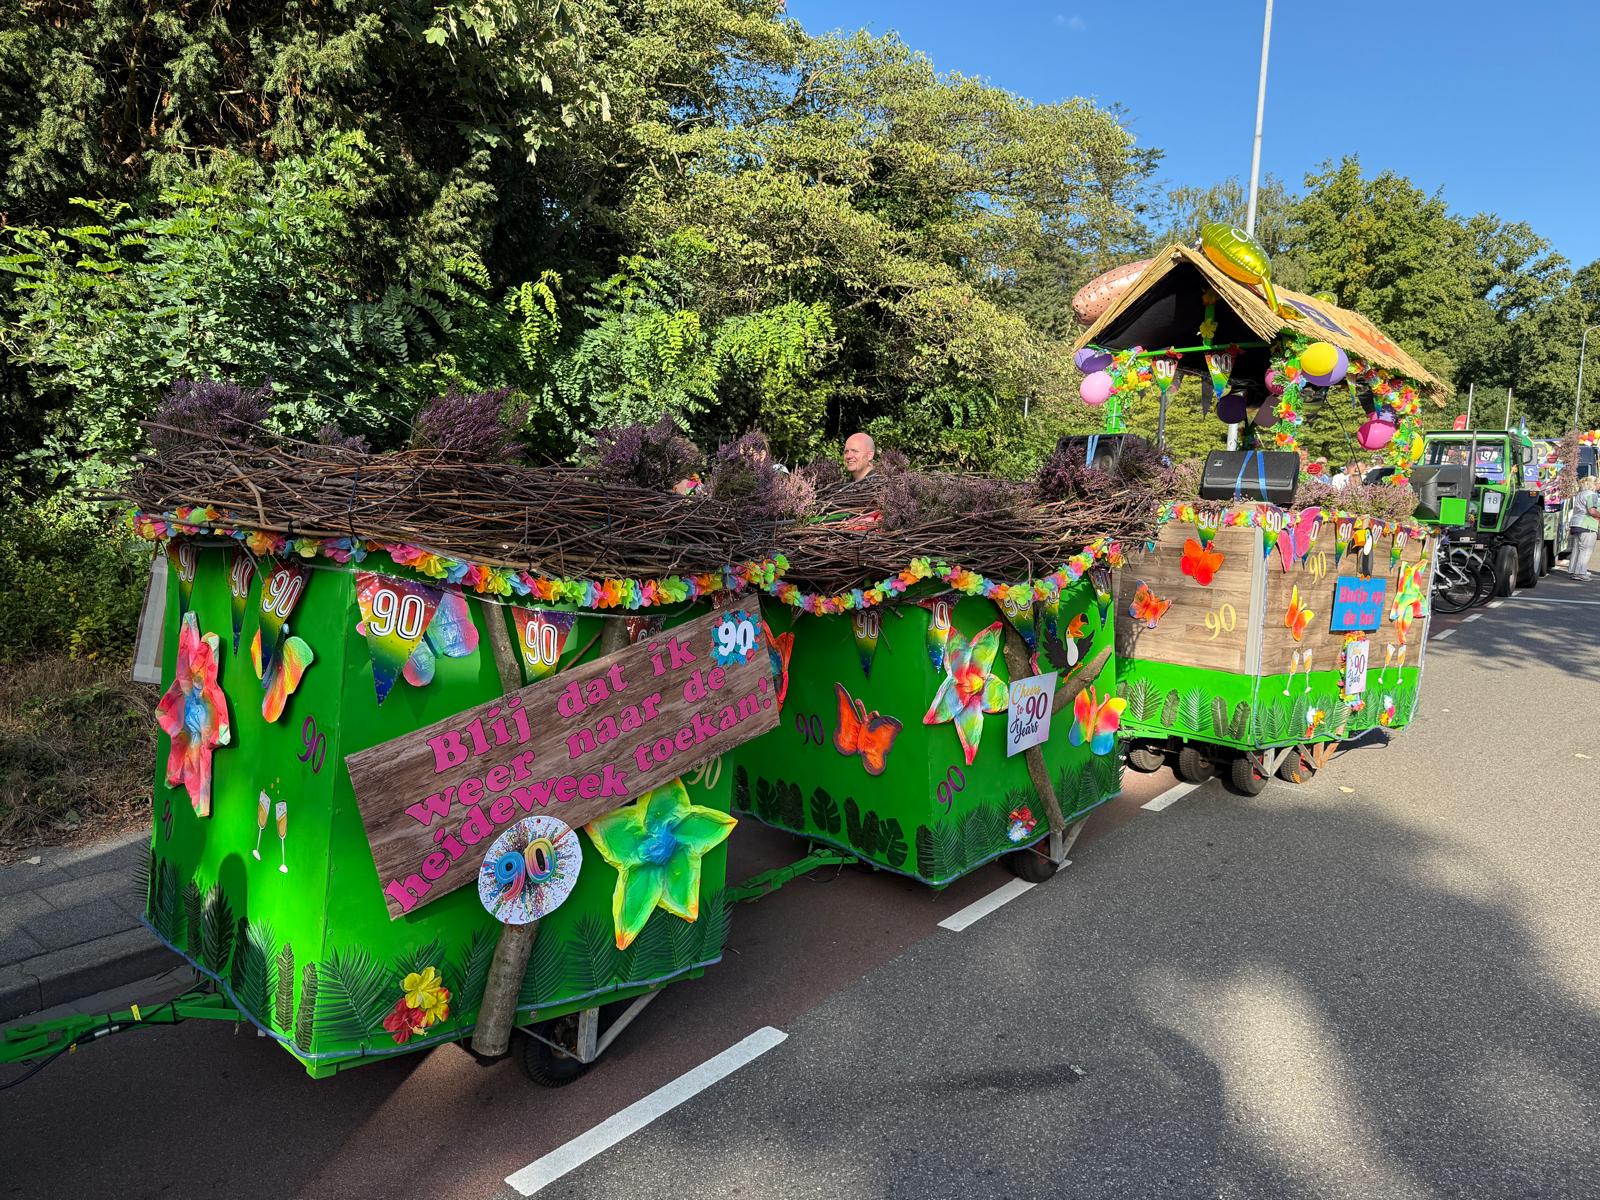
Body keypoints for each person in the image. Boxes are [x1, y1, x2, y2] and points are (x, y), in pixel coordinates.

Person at [1569, 477, 1600, 580]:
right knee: (1586, 550)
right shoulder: (1592, 495)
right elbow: (1592, 511)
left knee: (1576, 548)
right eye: (1599, 483)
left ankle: (1574, 570)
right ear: (1594, 484)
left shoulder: (1580, 494)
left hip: (1576, 523)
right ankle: (1581, 573)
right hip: (1587, 524)